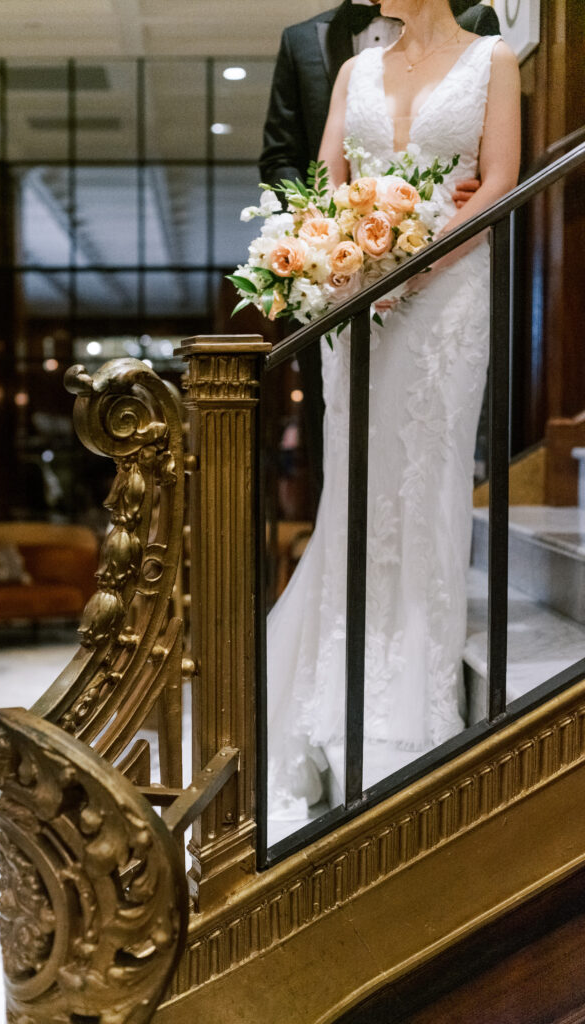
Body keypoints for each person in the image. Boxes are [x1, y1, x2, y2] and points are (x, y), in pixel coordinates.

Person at [266, 0, 520, 822]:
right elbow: (325, 181)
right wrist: (349, 259)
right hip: (359, 296)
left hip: (450, 290)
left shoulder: (495, 62)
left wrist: (425, 254)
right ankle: (344, 659)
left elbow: (503, 178)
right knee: (360, 473)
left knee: (430, 461)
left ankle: (416, 670)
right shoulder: (352, 69)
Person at [260, 0, 500, 504]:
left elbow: (496, 163)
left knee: (433, 442)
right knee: (346, 439)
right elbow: (292, 160)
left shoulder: (482, 38)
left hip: (451, 264)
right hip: (350, 273)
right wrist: (323, 240)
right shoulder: (322, 51)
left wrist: (467, 195)